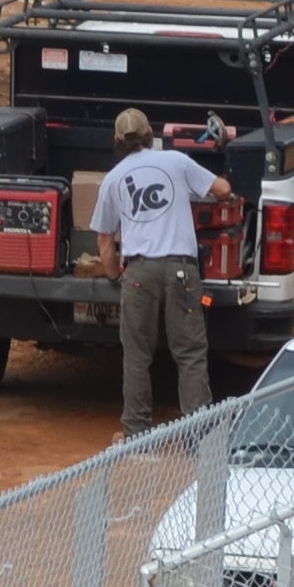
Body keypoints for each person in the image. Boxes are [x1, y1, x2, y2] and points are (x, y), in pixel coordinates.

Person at [92, 104, 222, 435]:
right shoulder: (176, 161)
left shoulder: (113, 179)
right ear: (151, 135)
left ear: (117, 140)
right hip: (182, 269)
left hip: (139, 273)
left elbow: (105, 241)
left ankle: (136, 432)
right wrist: (228, 185)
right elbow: (221, 190)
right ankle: (199, 435)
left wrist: (114, 276)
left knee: (137, 355)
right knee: (190, 353)